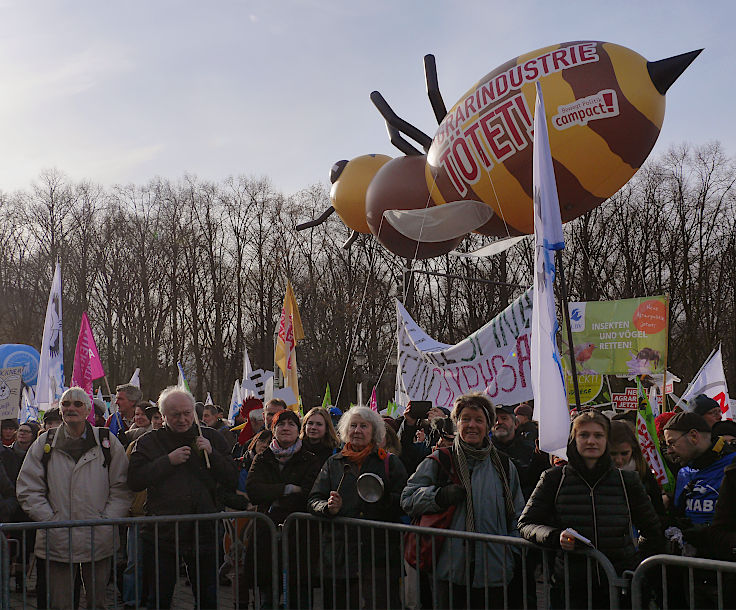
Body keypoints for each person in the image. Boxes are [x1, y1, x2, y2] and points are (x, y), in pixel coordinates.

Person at [518, 411, 664, 609]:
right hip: (571, 587)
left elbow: (652, 530)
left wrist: (636, 567)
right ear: (574, 439)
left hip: (618, 585)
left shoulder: (627, 481)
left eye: (598, 435)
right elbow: (526, 524)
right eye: (584, 435)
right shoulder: (553, 478)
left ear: (607, 440)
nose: (591, 441)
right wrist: (555, 536)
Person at [402, 393, 525, 609]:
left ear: (488, 425)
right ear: (456, 423)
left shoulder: (504, 465)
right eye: (465, 419)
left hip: (493, 569)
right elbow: (408, 498)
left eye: (479, 420)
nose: (472, 425)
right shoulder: (440, 460)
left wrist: (511, 554)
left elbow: (517, 513)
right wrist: (438, 497)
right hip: (449, 569)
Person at [16, 386, 132, 610]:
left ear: (88, 409)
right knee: (60, 603)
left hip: (98, 536)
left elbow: (122, 487)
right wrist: (49, 519)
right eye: (66, 404)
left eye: (78, 404)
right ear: (60, 410)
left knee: (97, 602)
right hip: (57, 537)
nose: (71, 408)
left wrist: (106, 519)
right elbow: (28, 487)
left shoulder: (107, 442)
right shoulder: (43, 443)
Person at [127, 386, 238, 609]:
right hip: (162, 531)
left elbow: (232, 478)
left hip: (204, 528)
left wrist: (213, 455)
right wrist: (167, 461)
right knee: (158, 597)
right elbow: (135, 480)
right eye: (175, 414)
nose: (182, 419)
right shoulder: (149, 441)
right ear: (163, 416)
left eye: (187, 413)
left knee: (207, 597)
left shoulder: (212, 437)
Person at [309, 406, 408, 609]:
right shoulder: (333, 463)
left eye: (364, 426)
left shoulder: (390, 462)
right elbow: (314, 499)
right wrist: (327, 508)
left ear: (374, 432)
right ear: (345, 430)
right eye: (353, 425)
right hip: (340, 555)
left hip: (379, 556)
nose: (357, 430)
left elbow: (405, 501)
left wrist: (382, 500)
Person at [245, 409, 321, 607]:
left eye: (291, 424)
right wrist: (287, 488)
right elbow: (253, 490)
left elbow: (307, 492)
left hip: (300, 537)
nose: (286, 428)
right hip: (266, 536)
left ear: (299, 430)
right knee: (267, 598)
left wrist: (273, 495)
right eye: (281, 424)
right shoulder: (262, 458)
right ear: (273, 428)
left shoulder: (310, 459)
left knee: (299, 598)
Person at [664, 412, 736, 527]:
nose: (669, 451)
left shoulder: (733, 465)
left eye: (672, 443)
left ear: (693, 436)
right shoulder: (684, 473)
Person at [491, 404, 549, 501]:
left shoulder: (528, 450)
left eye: (504, 418)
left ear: (516, 424)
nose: (499, 422)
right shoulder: (485, 451)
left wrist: (539, 459)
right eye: (495, 419)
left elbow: (533, 480)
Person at [609, 420, 665, 517]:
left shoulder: (643, 471)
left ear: (633, 449)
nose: (618, 460)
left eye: (624, 453)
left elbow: (658, 509)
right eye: (613, 454)